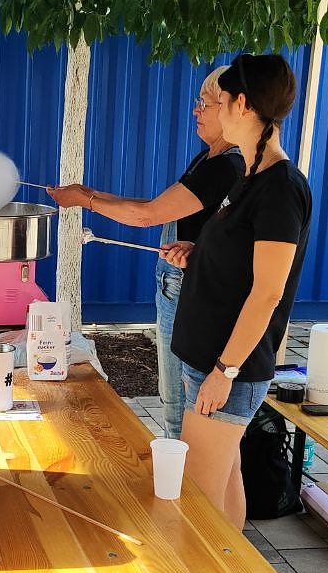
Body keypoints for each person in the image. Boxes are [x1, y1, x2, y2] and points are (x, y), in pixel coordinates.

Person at [140, 53, 311, 573]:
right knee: (223, 494)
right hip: (205, 359)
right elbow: (241, 263)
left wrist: (224, 371)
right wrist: (199, 251)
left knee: (195, 508)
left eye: (219, 99)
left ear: (244, 106)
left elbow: (267, 294)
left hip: (225, 371)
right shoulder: (248, 174)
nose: (210, 108)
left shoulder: (280, 187)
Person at [47, 66, 244, 439]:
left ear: (232, 108)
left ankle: (182, 468)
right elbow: (157, 207)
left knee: (179, 407)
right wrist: (90, 194)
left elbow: (147, 216)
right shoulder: (208, 160)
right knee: (174, 402)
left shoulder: (225, 167)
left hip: (189, 293)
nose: (196, 110)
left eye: (204, 103)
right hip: (178, 287)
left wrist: (85, 201)